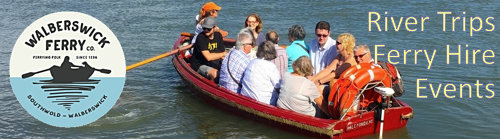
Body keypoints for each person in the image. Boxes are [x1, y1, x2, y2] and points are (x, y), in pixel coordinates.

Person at [240, 41, 281, 106]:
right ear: (272, 52)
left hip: (246, 96)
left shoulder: (252, 61)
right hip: (262, 102)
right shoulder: (271, 67)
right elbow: (278, 86)